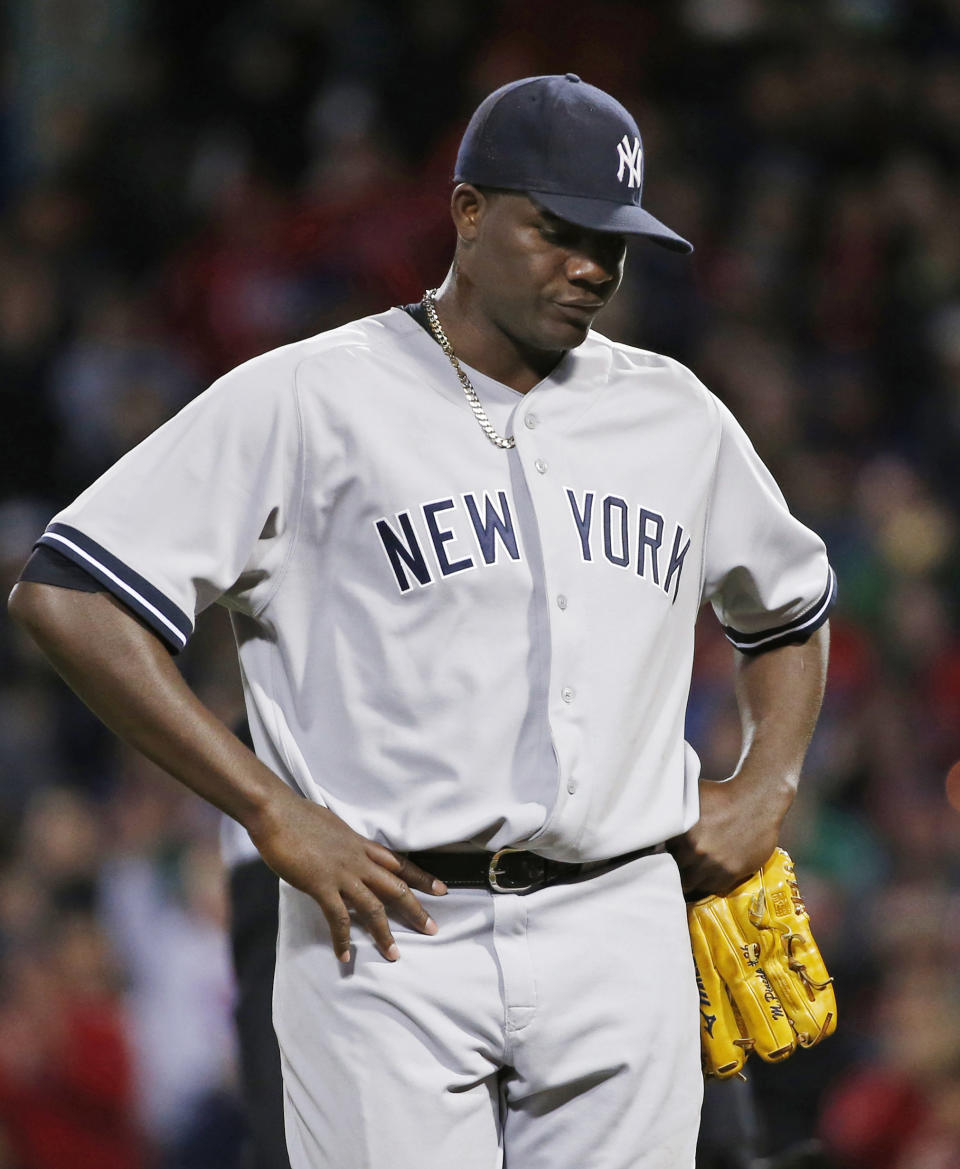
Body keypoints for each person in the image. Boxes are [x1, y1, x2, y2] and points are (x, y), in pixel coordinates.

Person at [8, 74, 833, 1169]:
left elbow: (788, 611)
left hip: (621, 917)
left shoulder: (673, 412)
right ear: (469, 211)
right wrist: (265, 807)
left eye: (616, 241)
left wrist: (767, 781)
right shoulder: (312, 396)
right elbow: (70, 590)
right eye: (559, 230)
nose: (592, 265)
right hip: (390, 927)